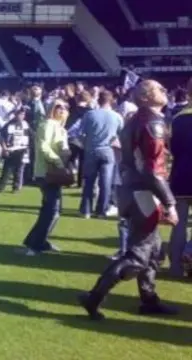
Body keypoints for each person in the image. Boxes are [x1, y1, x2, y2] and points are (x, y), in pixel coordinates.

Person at [79, 80, 179, 320]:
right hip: (144, 192)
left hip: (133, 190)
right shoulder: (152, 123)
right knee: (139, 254)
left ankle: (149, 299)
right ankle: (94, 297)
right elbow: (152, 170)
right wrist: (170, 203)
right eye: (159, 89)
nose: (165, 91)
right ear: (144, 97)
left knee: (153, 251)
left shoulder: (135, 120)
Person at [19, 100, 71, 256]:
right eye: (58, 107)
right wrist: (58, 161)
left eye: (65, 107)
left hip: (54, 171)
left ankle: (37, 241)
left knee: (51, 209)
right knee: (52, 210)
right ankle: (35, 244)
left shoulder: (60, 128)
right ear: (52, 109)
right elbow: (43, 146)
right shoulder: (47, 124)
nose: (62, 110)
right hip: (47, 172)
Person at [78, 90, 123, 218]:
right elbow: (121, 134)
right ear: (111, 101)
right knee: (106, 183)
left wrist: (85, 144)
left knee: (89, 181)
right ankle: (101, 211)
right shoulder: (117, 116)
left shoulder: (89, 115)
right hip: (108, 151)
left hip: (92, 150)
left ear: (98, 100)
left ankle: (86, 210)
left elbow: (81, 133)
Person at [166, 78, 192, 278]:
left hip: (180, 174)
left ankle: (175, 267)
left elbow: (171, 149)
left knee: (179, 224)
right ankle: (189, 255)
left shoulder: (177, 118)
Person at [0, 108, 30, 193]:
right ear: (15, 114)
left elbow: (31, 135)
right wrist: (4, 148)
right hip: (11, 149)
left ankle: (16, 187)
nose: (21, 116)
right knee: (7, 170)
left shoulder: (25, 124)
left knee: (19, 170)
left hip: (23, 149)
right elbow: (1, 137)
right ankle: (1, 187)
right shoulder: (9, 125)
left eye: (23, 115)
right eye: (20, 114)